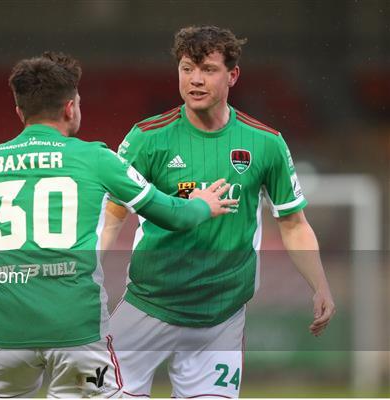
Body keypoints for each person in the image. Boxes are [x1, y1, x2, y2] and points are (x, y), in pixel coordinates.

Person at [0, 51, 237, 398]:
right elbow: (173, 216)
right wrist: (200, 205)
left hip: (3, 337)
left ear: (20, 112)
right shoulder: (97, 158)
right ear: (70, 107)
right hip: (77, 333)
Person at [105, 26, 336, 398]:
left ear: (232, 75)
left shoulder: (266, 144)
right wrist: (88, 271)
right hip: (148, 305)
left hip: (220, 319)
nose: (195, 80)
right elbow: (112, 213)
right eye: (186, 68)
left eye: (208, 69)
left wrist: (320, 284)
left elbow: (293, 223)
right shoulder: (146, 138)